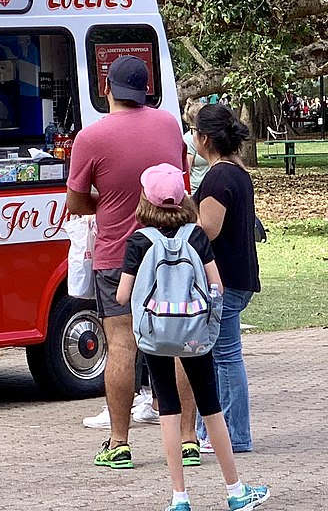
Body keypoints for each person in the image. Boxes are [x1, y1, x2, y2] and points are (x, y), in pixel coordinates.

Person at [67, 55, 198, 469]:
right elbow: (179, 184)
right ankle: (189, 440)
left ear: (107, 88)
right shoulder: (168, 125)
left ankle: (120, 443)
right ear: (145, 90)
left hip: (115, 256)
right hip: (170, 252)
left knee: (121, 344)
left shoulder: (91, 137)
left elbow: (75, 202)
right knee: (180, 342)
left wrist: (106, 200)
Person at [115, 164, 270, 511]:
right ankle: (235, 489)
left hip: (156, 334)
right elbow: (217, 285)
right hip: (194, 333)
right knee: (210, 406)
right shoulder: (196, 237)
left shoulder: (139, 241)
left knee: (167, 407)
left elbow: (123, 296)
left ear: (145, 200)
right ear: (184, 198)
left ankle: (179, 497)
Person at [193, 104, 261, 453]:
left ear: (204, 138)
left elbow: (208, 228)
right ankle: (218, 431)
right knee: (222, 356)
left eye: (194, 132)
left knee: (225, 357)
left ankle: (234, 434)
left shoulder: (218, 177)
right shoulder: (238, 172)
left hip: (226, 279)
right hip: (239, 276)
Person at [182, 99, 210, 192]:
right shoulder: (189, 139)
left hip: (210, 187)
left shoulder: (209, 135)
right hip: (196, 192)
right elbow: (186, 171)